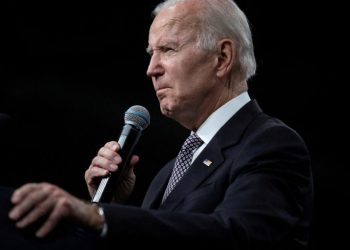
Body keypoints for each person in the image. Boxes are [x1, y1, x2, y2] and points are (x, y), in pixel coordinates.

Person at [0, 0, 313, 249]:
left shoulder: (271, 143)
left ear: (222, 57)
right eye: (151, 53)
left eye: (168, 49)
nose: (152, 69)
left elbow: (238, 235)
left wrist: (98, 216)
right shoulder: (170, 171)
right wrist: (109, 202)